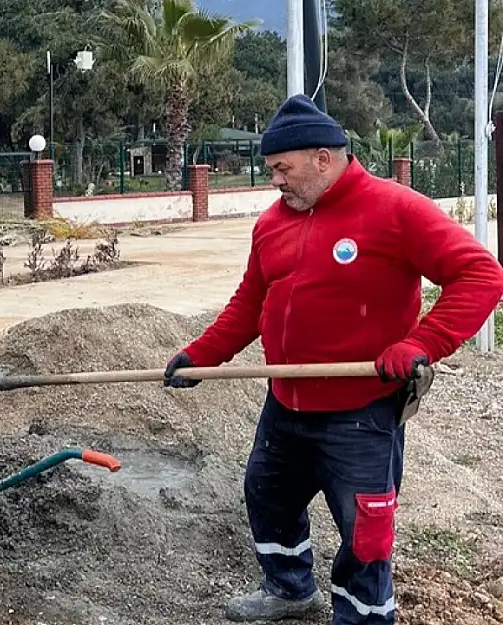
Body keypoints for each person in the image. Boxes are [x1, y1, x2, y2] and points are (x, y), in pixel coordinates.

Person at [162, 94, 503, 624]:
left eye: (283, 168)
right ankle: (289, 590)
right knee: (267, 496)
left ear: (324, 158)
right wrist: (199, 356)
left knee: (364, 530)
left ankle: (365, 616)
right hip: (285, 404)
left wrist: (420, 344)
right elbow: (250, 304)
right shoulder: (272, 223)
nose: (275, 180)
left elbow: (481, 274)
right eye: (271, 169)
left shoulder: (396, 209)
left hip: (361, 411)